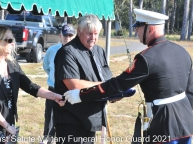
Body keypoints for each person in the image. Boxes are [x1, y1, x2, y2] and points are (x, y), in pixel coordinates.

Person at [64, 9, 193, 144]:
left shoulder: (146, 58)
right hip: (187, 122)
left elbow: (117, 85)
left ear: (150, 29)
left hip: (163, 125)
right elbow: (190, 91)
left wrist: (80, 95)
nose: (136, 31)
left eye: (139, 27)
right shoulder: (182, 51)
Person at [0, 26, 64, 144]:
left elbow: (30, 87)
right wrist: (7, 126)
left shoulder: (12, 64)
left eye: (13, 39)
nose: (13, 43)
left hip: (9, 124)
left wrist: (54, 96)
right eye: (9, 40)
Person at [54, 15, 113, 144]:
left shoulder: (99, 51)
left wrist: (117, 91)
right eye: (89, 34)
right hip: (72, 121)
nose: (93, 38)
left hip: (91, 119)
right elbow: (74, 85)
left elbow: (107, 78)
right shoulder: (68, 52)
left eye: (96, 34)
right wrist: (108, 87)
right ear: (79, 32)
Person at [42, 24, 76, 141]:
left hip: (70, 91)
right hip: (53, 89)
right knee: (50, 120)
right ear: (60, 36)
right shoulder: (52, 50)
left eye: (71, 36)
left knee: (68, 121)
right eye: (65, 36)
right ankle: (47, 140)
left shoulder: (78, 51)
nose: (68, 38)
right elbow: (46, 67)